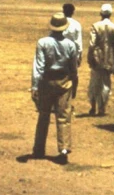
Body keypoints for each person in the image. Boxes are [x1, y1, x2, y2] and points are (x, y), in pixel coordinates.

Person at [31, 12, 80, 164]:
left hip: (46, 82)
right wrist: (74, 83)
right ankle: (64, 149)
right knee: (64, 116)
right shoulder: (71, 45)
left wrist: (34, 85)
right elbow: (73, 68)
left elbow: (38, 66)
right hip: (64, 82)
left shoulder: (43, 42)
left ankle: (39, 148)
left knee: (43, 115)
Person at [87, 3, 114, 116]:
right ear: (110, 14)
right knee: (106, 84)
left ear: (100, 13)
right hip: (109, 59)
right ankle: (102, 108)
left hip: (97, 57)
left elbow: (92, 44)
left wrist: (90, 57)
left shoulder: (95, 26)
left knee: (94, 82)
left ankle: (93, 106)